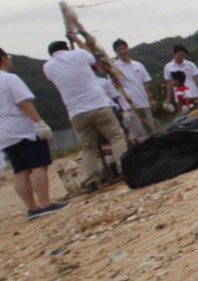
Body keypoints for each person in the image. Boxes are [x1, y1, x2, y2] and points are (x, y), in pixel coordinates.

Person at [43, 37, 129, 191]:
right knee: (116, 136)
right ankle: (124, 168)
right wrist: (77, 39)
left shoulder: (48, 67)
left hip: (76, 111)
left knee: (88, 147)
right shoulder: (78, 55)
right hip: (98, 104)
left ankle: (91, 179)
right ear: (67, 47)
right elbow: (90, 55)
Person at [0, 47, 70, 220]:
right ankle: (45, 203)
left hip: (4, 132)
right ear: (3, 59)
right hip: (21, 127)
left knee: (20, 169)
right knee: (38, 165)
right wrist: (40, 123)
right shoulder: (9, 79)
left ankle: (31, 208)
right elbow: (24, 102)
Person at [111, 38, 156, 145]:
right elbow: (113, 86)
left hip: (144, 102)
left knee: (150, 130)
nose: (122, 51)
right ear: (116, 52)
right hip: (129, 105)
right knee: (137, 133)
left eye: (123, 48)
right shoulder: (114, 68)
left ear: (127, 48)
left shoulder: (138, 65)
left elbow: (146, 83)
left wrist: (151, 99)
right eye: (119, 50)